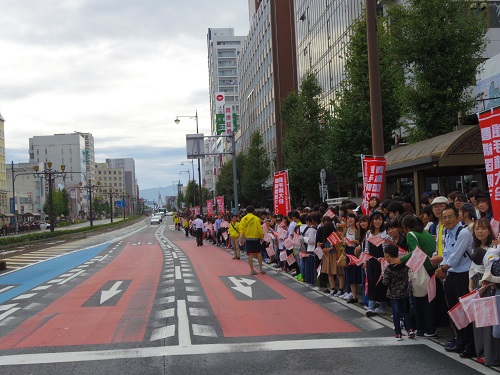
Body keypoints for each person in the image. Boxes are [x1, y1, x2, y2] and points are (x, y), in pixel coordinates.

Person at [435, 206, 475, 358]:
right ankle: (460, 340)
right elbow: (446, 253)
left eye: (450, 217)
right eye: (444, 218)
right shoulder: (446, 232)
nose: (447, 220)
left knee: (465, 311)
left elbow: (456, 256)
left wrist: (443, 269)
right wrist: (442, 268)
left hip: (463, 276)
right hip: (451, 275)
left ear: (458, 217)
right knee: (454, 311)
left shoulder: (463, 232)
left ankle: (470, 346)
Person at [382, 243, 415, 341]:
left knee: (396, 313)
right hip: (404, 293)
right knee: (405, 311)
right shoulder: (404, 266)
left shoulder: (388, 269)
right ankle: (409, 330)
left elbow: (385, 282)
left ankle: (398, 333)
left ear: (387, 256)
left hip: (393, 294)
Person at [239, 205, 266, 275]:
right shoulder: (257, 219)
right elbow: (260, 229)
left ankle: (252, 270)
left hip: (248, 238)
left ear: (246, 211)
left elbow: (241, 229)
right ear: (253, 211)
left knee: (250, 254)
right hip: (256, 238)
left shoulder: (243, 219)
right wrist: (262, 236)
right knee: (258, 253)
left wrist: (242, 237)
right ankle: (261, 268)